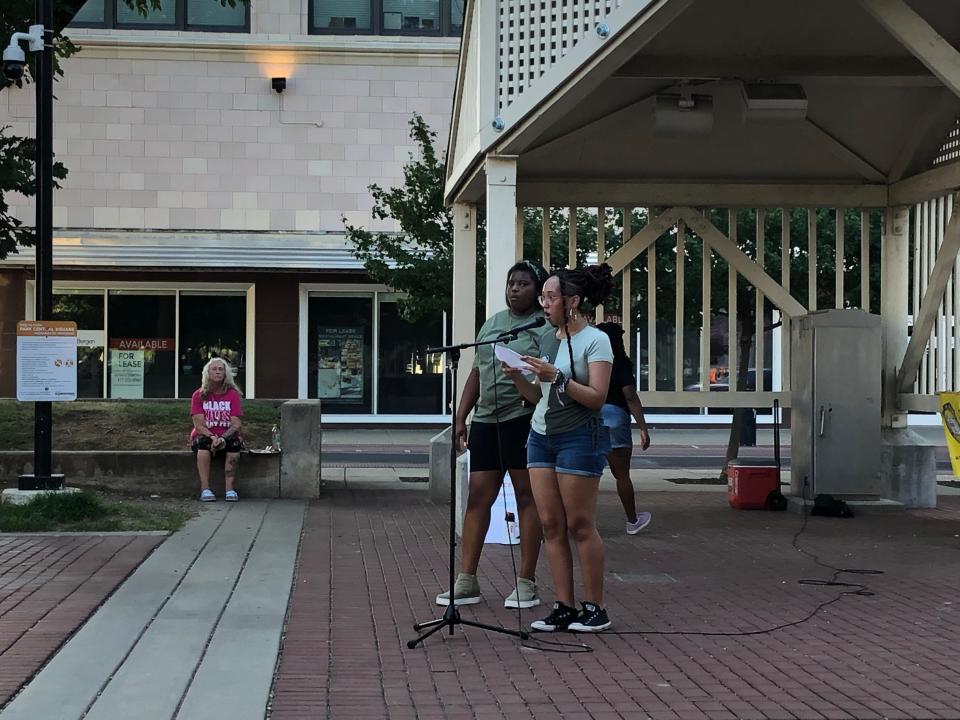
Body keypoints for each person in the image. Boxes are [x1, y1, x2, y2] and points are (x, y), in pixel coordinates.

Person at [435, 261, 559, 609]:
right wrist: (461, 417)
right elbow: (476, 372)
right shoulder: (492, 324)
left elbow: (547, 379)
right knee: (478, 497)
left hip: (524, 419)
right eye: (511, 283)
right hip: (487, 421)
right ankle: (466, 580)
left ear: (537, 291)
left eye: (522, 284)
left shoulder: (542, 327)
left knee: (526, 499)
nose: (514, 289)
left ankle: (526, 582)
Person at [505, 264, 615, 633]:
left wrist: (560, 378)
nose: (544, 303)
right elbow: (540, 396)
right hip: (541, 436)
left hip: (580, 438)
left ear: (573, 302)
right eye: (543, 297)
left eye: (550, 297)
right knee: (551, 524)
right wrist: (519, 377)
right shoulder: (549, 338)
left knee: (580, 524)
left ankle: (595, 607)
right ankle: (564, 605)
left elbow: (597, 398)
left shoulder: (596, 340)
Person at [597, 322, 653, 535]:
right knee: (621, 475)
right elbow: (630, 396)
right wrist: (643, 428)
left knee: (588, 476)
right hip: (615, 419)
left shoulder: (591, 361)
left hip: (592, 417)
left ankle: (581, 521)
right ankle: (632, 520)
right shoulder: (620, 362)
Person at [190, 357, 244, 502]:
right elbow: (199, 425)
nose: (218, 372)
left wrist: (223, 438)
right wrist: (213, 437)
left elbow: (236, 423)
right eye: (214, 369)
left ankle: (230, 490)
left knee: (234, 445)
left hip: (226, 435)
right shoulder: (199, 395)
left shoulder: (233, 395)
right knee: (203, 444)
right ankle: (205, 489)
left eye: (221, 369)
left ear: (226, 374)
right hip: (206, 434)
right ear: (207, 373)